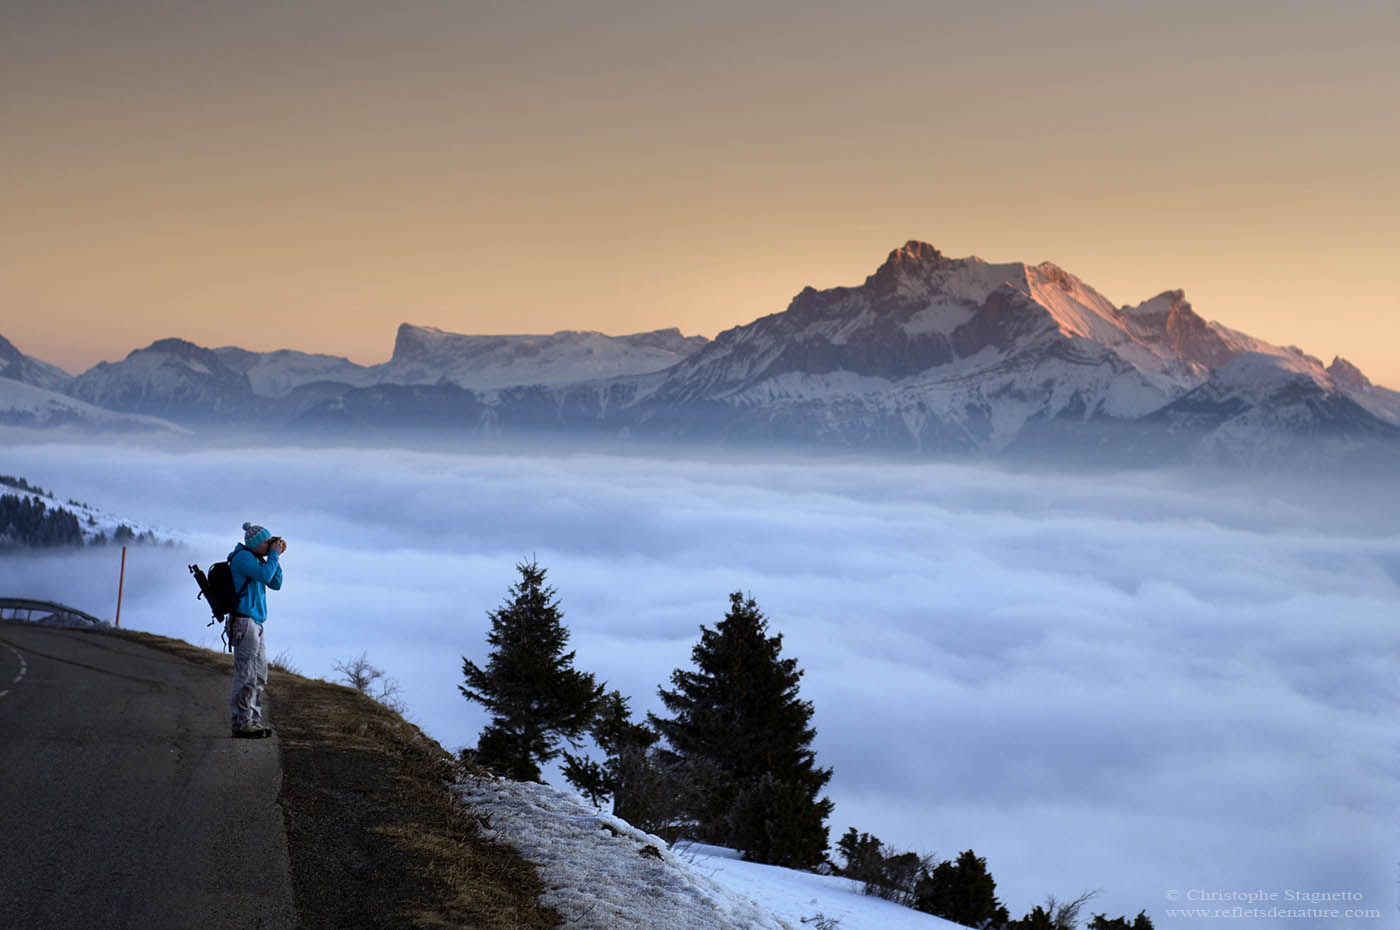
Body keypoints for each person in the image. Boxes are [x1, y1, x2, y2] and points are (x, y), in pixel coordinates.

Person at [228, 521, 286, 739]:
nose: (269, 544)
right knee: (247, 675)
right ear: (255, 543)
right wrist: (273, 556)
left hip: (256, 623)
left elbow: (276, 583)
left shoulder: (256, 559)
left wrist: (274, 558)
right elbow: (263, 577)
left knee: (259, 675)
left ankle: (253, 721)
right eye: (266, 541)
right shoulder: (243, 558)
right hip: (244, 622)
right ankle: (242, 723)